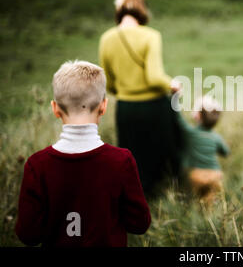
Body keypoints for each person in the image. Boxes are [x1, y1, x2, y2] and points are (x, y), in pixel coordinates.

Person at [15, 61, 151, 247]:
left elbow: (28, 235)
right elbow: (139, 224)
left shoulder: (37, 165)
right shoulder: (121, 161)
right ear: (103, 106)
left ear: (55, 108)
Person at [99, 0, 181, 196]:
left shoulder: (106, 38)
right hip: (154, 106)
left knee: (132, 158)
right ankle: (167, 196)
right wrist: (173, 85)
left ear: (119, 11)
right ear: (143, 10)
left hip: (126, 108)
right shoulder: (151, 36)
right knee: (162, 154)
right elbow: (154, 77)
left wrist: (126, 89)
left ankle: (136, 199)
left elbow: (108, 83)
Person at [176, 96, 230, 205]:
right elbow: (226, 152)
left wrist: (175, 97)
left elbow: (178, 118)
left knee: (193, 201)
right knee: (209, 204)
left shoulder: (191, 133)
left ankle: (194, 215)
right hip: (215, 175)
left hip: (196, 175)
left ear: (197, 115)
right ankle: (208, 219)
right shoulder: (216, 137)